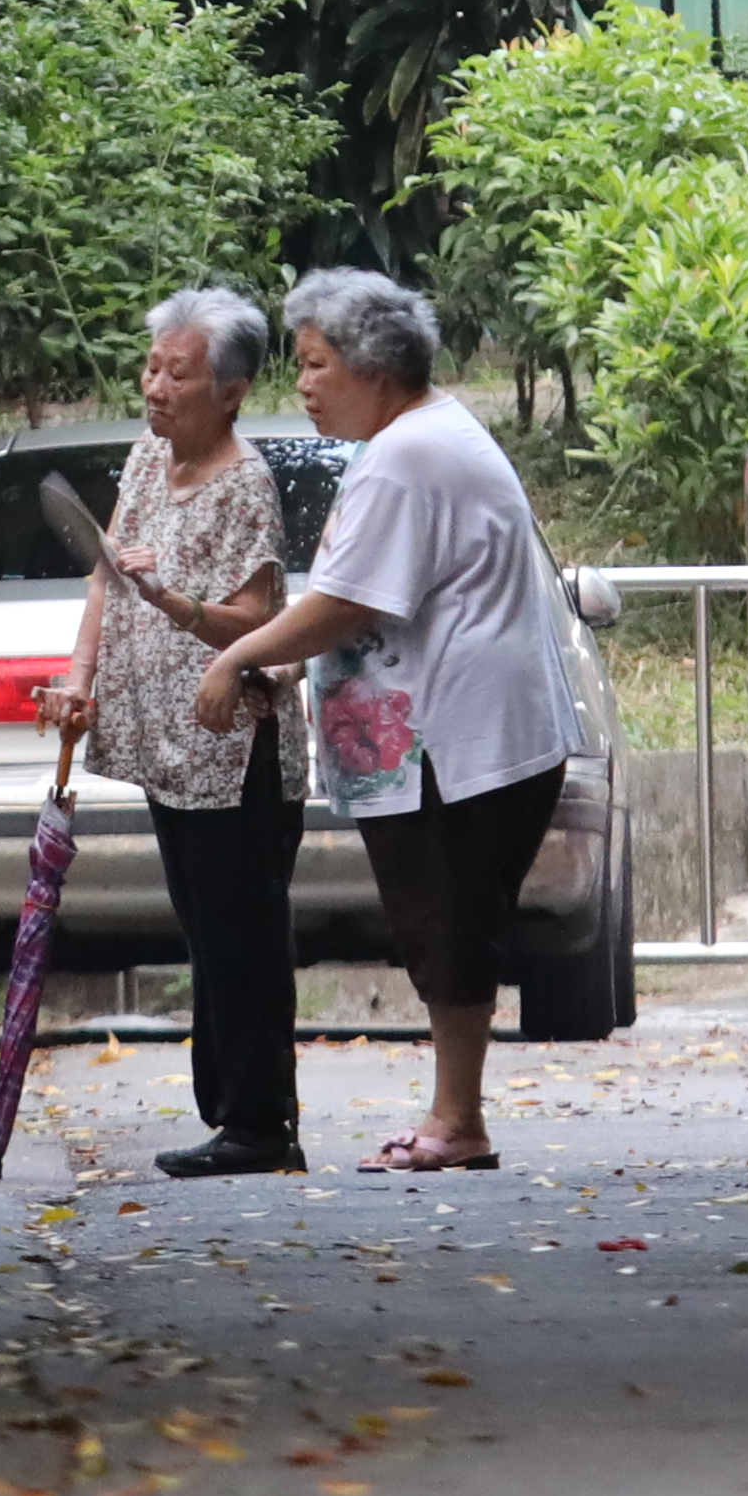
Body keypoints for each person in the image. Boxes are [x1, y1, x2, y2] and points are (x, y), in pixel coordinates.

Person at [193, 266, 577, 1173]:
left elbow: (346, 599)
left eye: (317, 364)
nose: (305, 384)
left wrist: (240, 655)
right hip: (460, 736)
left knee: (447, 924)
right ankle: (458, 1117)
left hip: (457, 740)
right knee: (446, 925)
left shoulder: (407, 455)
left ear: (373, 367)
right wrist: (287, 659)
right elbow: (366, 600)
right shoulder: (420, 438)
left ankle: (457, 1122)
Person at [54, 284, 308, 1179]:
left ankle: (260, 1124)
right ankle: (233, 1117)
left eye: (178, 372)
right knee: (206, 930)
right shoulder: (142, 460)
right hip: (166, 741)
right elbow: (102, 576)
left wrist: (173, 601)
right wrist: (78, 679)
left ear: (231, 390)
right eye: (151, 366)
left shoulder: (248, 483)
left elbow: (257, 618)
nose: (154, 386)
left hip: (237, 744)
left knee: (244, 933)